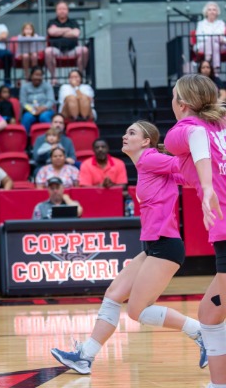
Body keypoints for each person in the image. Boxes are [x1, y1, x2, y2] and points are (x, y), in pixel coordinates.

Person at [51, 120, 207, 374]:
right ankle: (85, 357)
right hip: (154, 246)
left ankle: (200, 331)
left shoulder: (149, 159)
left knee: (137, 311)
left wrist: (206, 154)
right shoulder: (149, 164)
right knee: (113, 295)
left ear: (146, 141)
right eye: (125, 132)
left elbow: (184, 165)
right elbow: (187, 175)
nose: (125, 136)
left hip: (165, 246)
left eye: (131, 133)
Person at [164, 74, 226, 387]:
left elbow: (196, 140)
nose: (171, 102)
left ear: (183, 103)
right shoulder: (221, 124)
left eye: (173, 96)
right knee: (209, 314)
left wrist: (205, 186)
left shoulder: (183, 130)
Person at [45, 2, 89, 84]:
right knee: (47, 51)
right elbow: (51, 32)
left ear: (68, 11)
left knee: (85, 50)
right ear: (56, 11)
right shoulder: (51, 22)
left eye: (64, 9)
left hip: (72, 49)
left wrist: (58, 31)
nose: (62, 11)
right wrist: (68, 30)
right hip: (56, 50)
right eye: (60, 9)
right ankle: (53, 77)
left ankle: (79, 76)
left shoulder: (73, 22)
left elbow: (76, 33)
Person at [20, 67, 56, 133]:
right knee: (27, 117)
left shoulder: (47, 86)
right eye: (36, 75)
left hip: (46, 110)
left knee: (44, 116)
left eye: (40, 75)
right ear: (31, 76)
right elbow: (23, 103)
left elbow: (51, 101)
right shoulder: (24, 87)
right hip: (30, 111)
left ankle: (53, 136)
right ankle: (25, 140)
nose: (38, 77)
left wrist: (41, 109)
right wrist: (32, 110)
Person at [195, 1, 226, 74]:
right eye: (209, 10)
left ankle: (207, 63)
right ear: (206, 12)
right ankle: (215, 70)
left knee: (214, 44)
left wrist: (220, 39)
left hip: (220, 45)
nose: (212, 12)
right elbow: (199, 37)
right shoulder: (201, 24)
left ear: (217, 12)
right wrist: (211, 38)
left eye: (214, 10)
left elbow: (224, 38)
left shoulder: (221, 23)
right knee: (212, 42)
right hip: (203, 45)